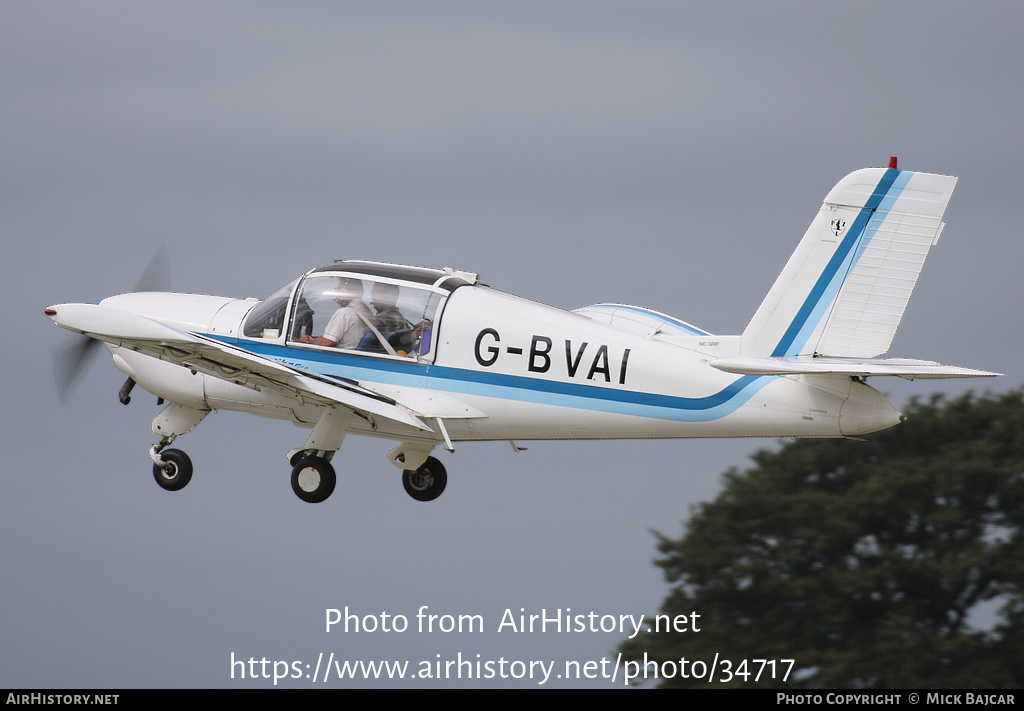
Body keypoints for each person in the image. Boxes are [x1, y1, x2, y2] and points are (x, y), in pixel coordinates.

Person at [309, 277, 373, 349]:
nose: (337, 293)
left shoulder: (344, 313)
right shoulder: (364, 309)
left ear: (345, 293)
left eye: (338, 289)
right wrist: (311, 340)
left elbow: (326, 343)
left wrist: (307, 342)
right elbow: (329, 337)